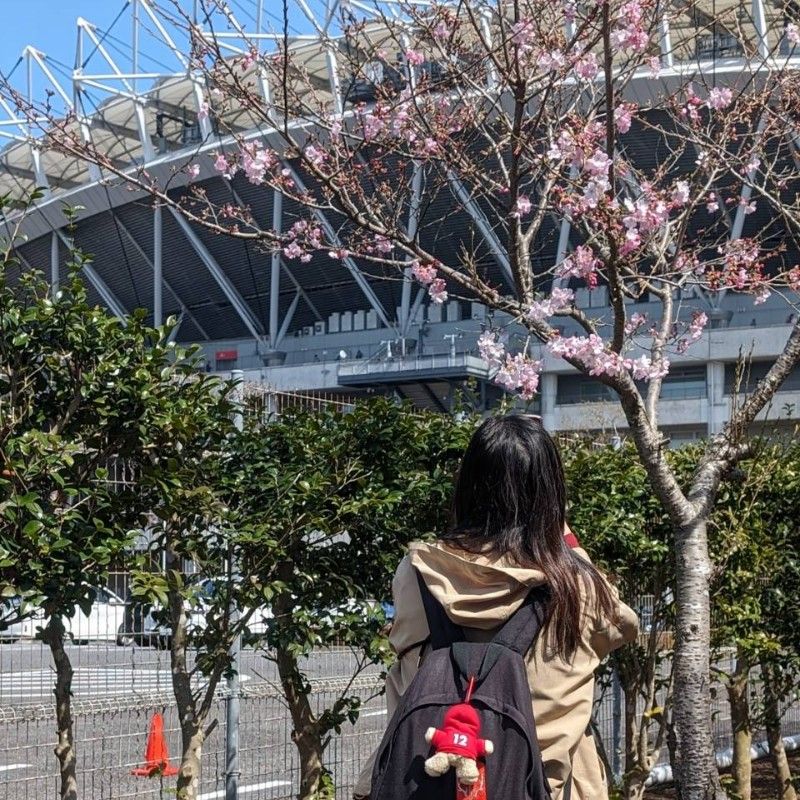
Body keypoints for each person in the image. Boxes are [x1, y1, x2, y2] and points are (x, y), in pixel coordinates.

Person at [353, 414, 638, 800]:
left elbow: (402, 649)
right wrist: (565, 541)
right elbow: (622, 628)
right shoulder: (579, 587)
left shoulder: (418, 572)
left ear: (467, 486)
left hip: (423, 783)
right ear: (552, 494)